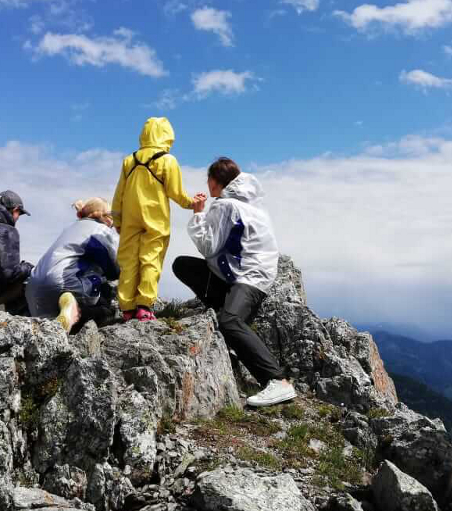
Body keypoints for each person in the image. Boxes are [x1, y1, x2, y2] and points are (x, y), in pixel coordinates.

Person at [172, 157, 296, 408]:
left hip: (248, 279)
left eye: (208, 179)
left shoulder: (225, 205)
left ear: (216, 181)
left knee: (229, 321)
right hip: (254, 275)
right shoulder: (253, 205)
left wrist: (197, 215)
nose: (207, 184)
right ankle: (225, 311)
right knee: (184, 265)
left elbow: (208, 246)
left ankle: (277, 380)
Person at [111, 117, 202, 322]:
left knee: (129, 260)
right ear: (167, 135)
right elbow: (176, 192)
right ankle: (144, 306)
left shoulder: (129, 160)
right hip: (155, 218)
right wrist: (192, 204)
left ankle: (126, 308)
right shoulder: (167, 160)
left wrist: (117, 220)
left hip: (130, 219)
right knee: (151, 258)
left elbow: (119, 195)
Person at [26, 197, 120, 332]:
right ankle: (76, 308)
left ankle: (64, 316)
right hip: (64, 283)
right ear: (103, 216)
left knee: (50, 332)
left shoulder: (70, 228)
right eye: (111, 217)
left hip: (34, 288)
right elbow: (115, 268)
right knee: (106, 306)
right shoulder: (99, 230)